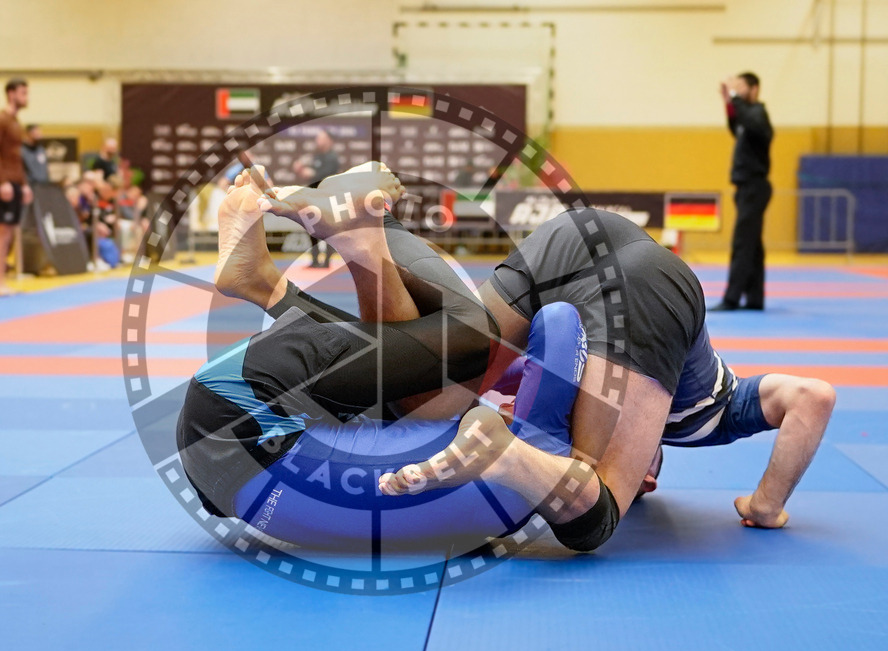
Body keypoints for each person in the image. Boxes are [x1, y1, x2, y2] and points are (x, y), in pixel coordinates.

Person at [182, 163, 836, 552]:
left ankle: (334, 259)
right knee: (595, 505)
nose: (650, 476)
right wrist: (766, 503)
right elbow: (813, 396)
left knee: (439, 374)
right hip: (645, 288)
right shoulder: (721, 406)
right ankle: (512, 456)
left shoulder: (588, 371)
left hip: (577, 234)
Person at [711, 72, 774, 312]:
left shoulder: (758, 114)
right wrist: (728, 101)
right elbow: (735, 125)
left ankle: (732, 298)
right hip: (746, 188)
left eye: (740, 86)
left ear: (754, 89)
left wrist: (734, 98)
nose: (736, 89)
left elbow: (748, 120)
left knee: (742, 243)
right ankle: (755, 298)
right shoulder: (746, 118)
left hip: (755, 187)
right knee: (753, 246)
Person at [0, 77, 32, 297]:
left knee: (9, 232)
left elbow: (16, 157)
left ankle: (1, 280)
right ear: (11, 94)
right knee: (0, 232)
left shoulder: (15, 122)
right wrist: (2, 180)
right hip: (1, 183)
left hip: (14, 182)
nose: (26, 98)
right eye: (23, 93)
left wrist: (23, 184)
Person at [292, 129, 340, 267]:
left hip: (327, 199)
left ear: (328, 140)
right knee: (311, 228)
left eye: (321, 138)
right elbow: (310, 174)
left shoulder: (332, 157)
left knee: (329, 230)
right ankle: (314, 259)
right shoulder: (317, 156)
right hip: (313, 198)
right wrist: (302, 170)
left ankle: (326, 261)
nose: (317, 141)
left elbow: (323, 175)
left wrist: (310, 172)